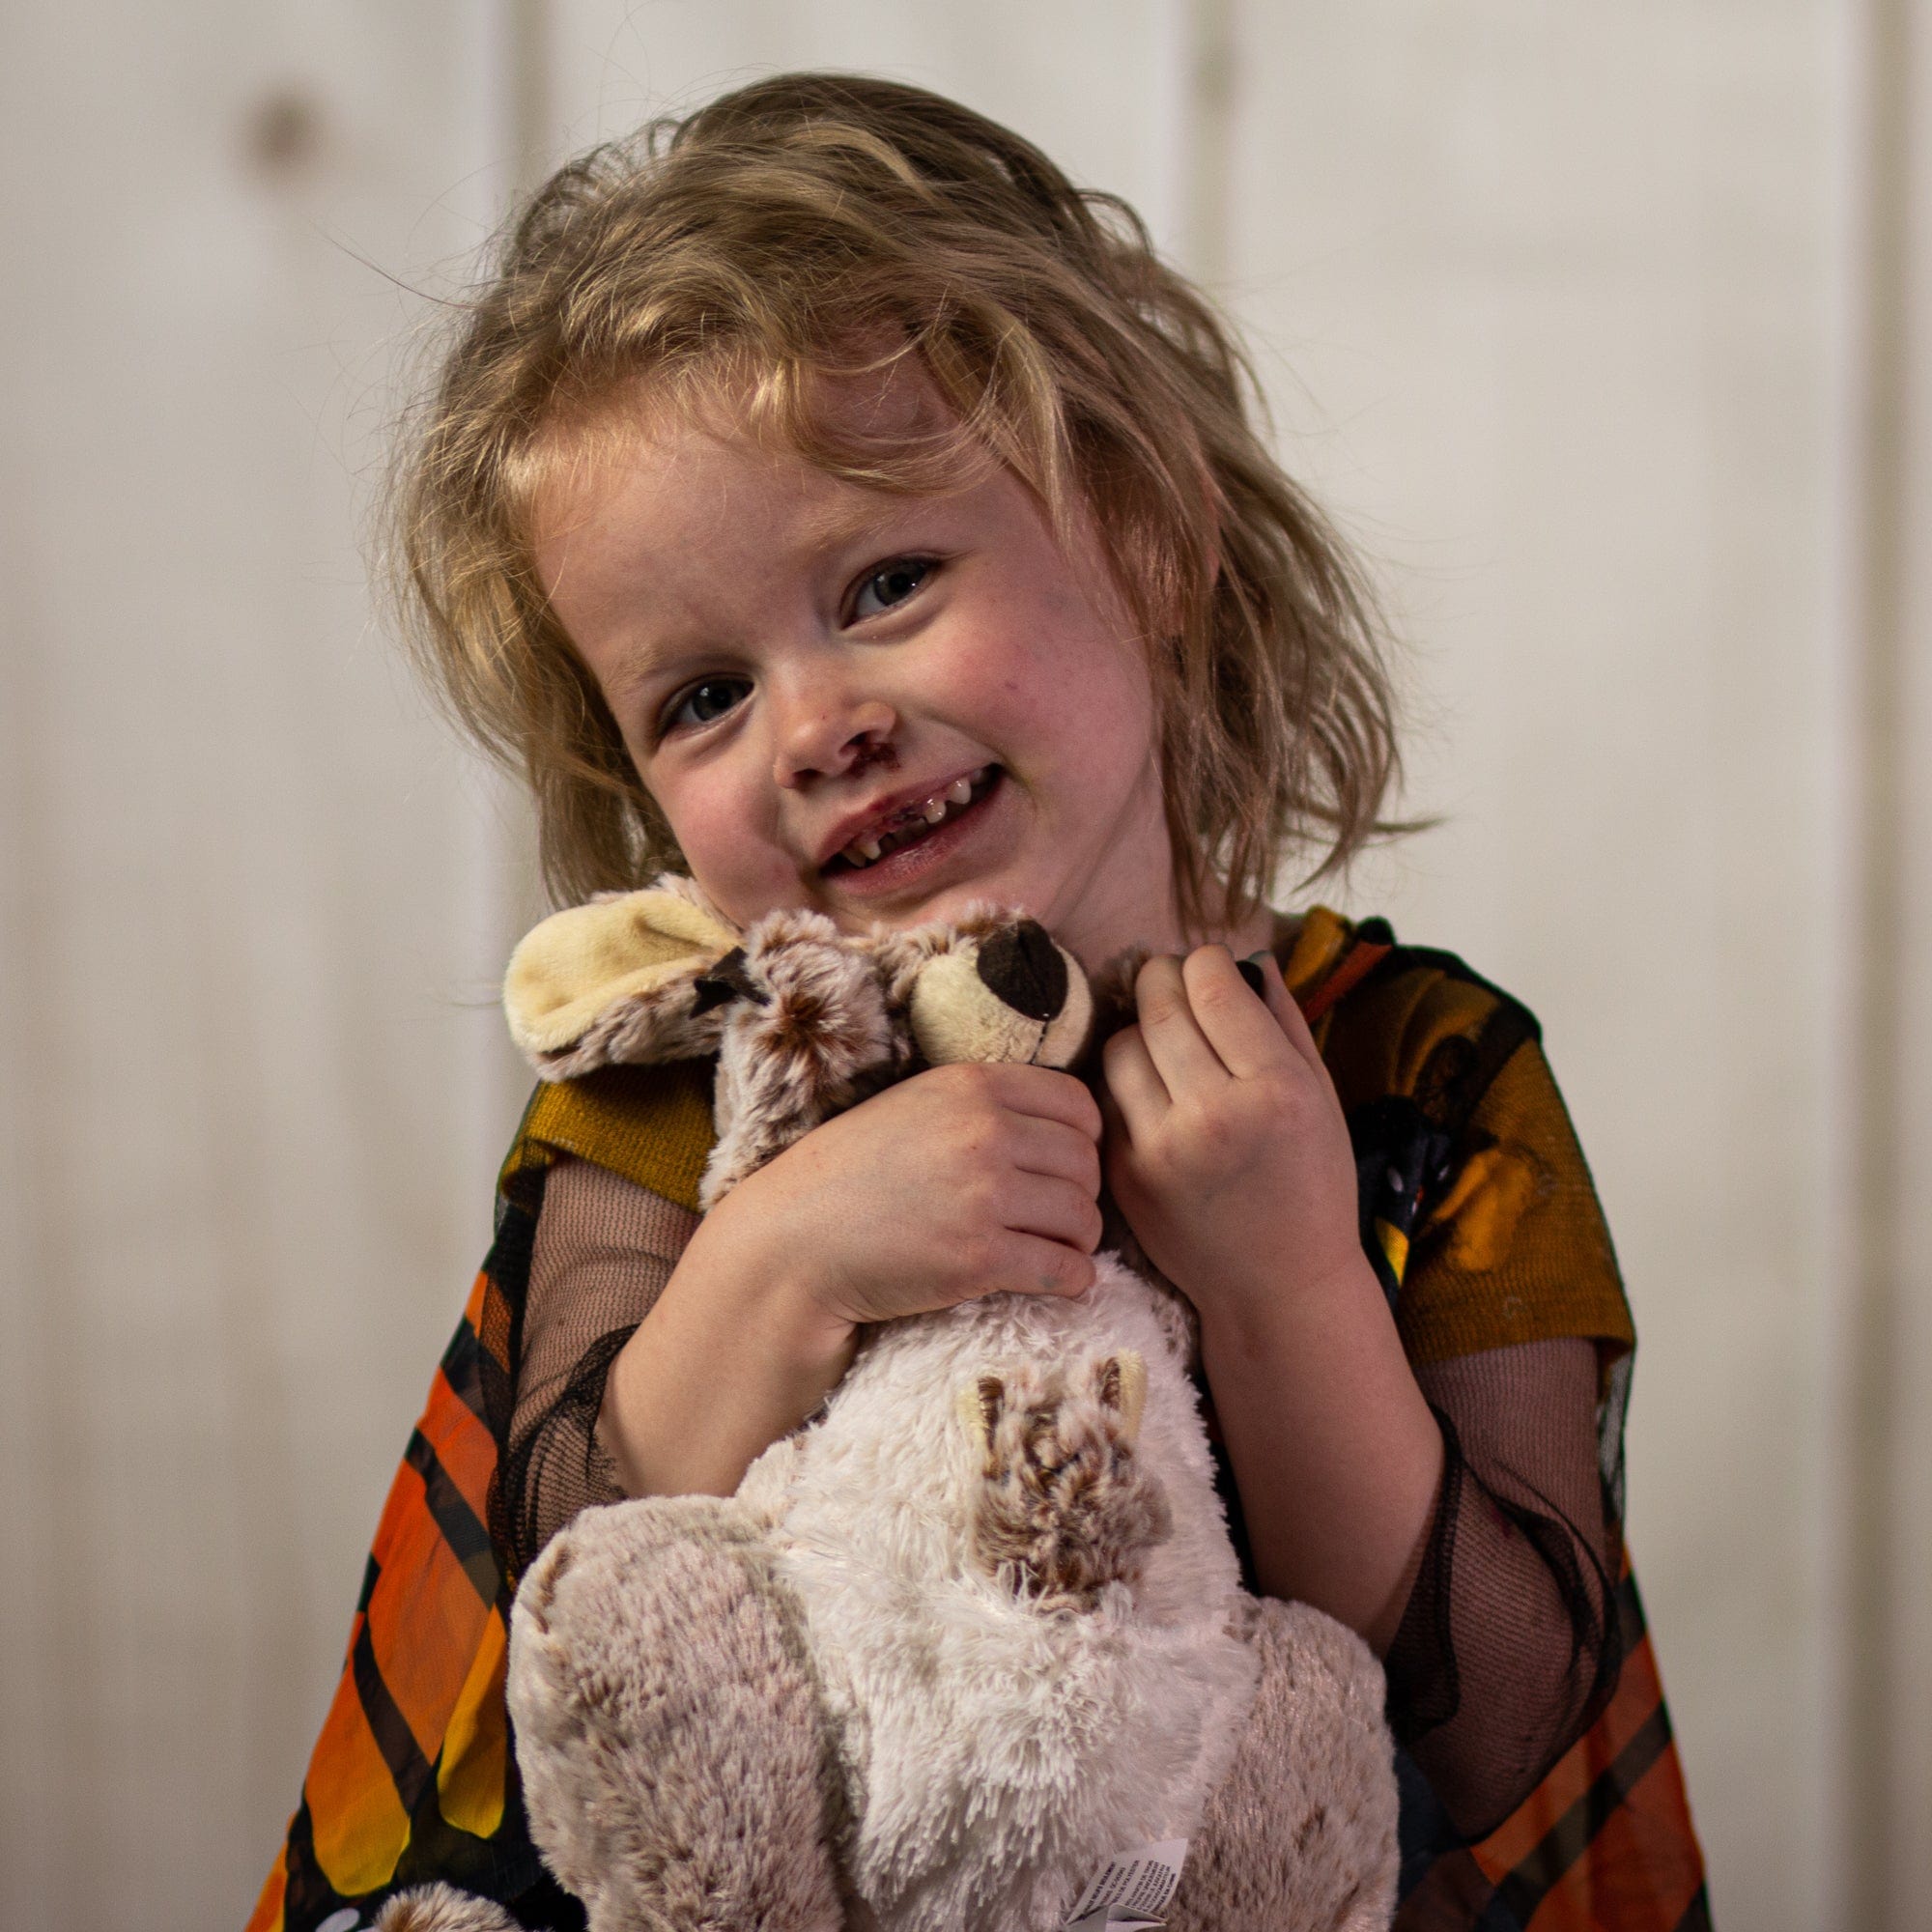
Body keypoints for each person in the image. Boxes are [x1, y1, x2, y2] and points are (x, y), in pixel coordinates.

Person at [250, 72, 1707, 1932]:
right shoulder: (694, 1083)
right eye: (699, 697)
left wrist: (1288, 1284)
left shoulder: (1421, 1079)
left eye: (887, 580)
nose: (815, 723)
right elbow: (564, 1567)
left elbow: (1508, 1726)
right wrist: (777, 1259)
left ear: (1151, 532)